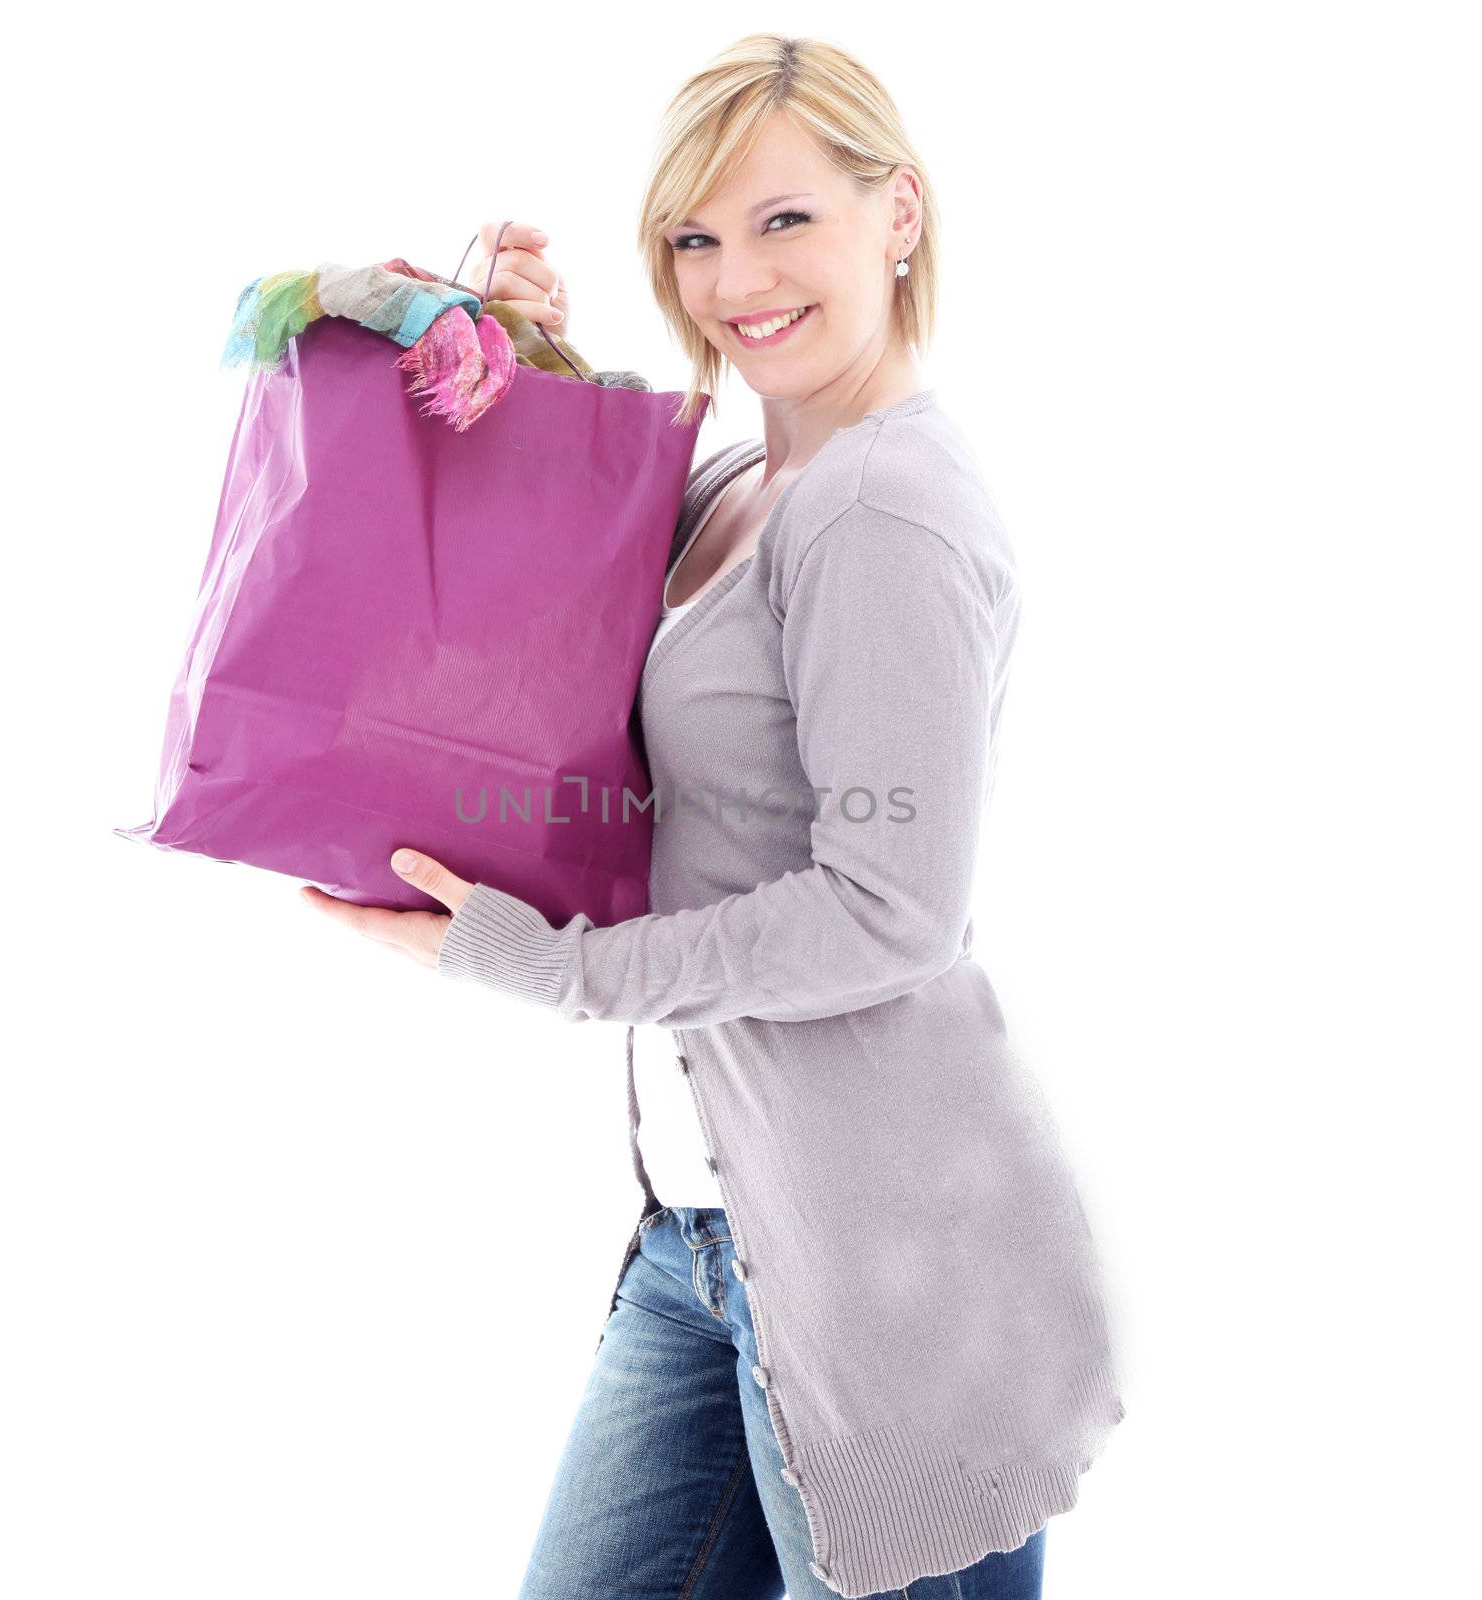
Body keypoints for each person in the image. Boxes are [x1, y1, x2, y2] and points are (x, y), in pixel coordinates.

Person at [304, 32, 1124, 1600]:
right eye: (693, 236)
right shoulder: (755, 474)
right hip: (706, 1252)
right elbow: (573, 564)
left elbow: (890, 910)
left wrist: (544, 966)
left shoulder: (885, 508)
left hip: (893, 1276)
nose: (733, 276)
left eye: (783, 219)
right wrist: (513, 360)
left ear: (900, 216)